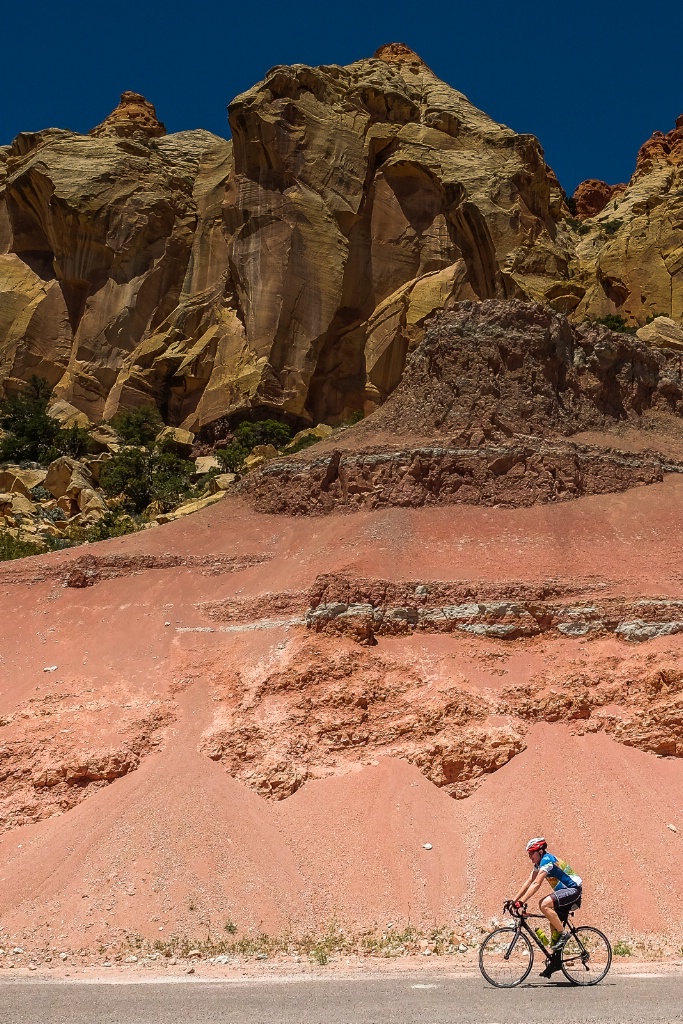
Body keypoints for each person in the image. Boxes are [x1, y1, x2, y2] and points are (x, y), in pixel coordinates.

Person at [512, 837, 583, 967]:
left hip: (573, 889)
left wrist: (521, 902)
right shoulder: (538, 865)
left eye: (531, 853)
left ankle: (564, 934)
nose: (530, 856)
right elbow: (528, 882)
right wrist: (514, 900)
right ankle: (555, 962)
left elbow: (536, 883)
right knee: (553, 924)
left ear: (539, 851)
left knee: (543, 904)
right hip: (565, 892)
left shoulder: (547, 860)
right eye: (528, 854)